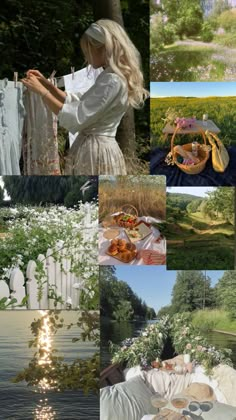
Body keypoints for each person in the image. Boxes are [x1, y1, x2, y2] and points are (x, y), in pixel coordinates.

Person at [21, 19, 148, 175]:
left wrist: (42, 91)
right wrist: (48, 86)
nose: (86, 57)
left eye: (88, 51)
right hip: (95, 148)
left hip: (96, 152)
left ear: (103, 49)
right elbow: (80, 101)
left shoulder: (112, 81)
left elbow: (77, 116)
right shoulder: (109, 77)